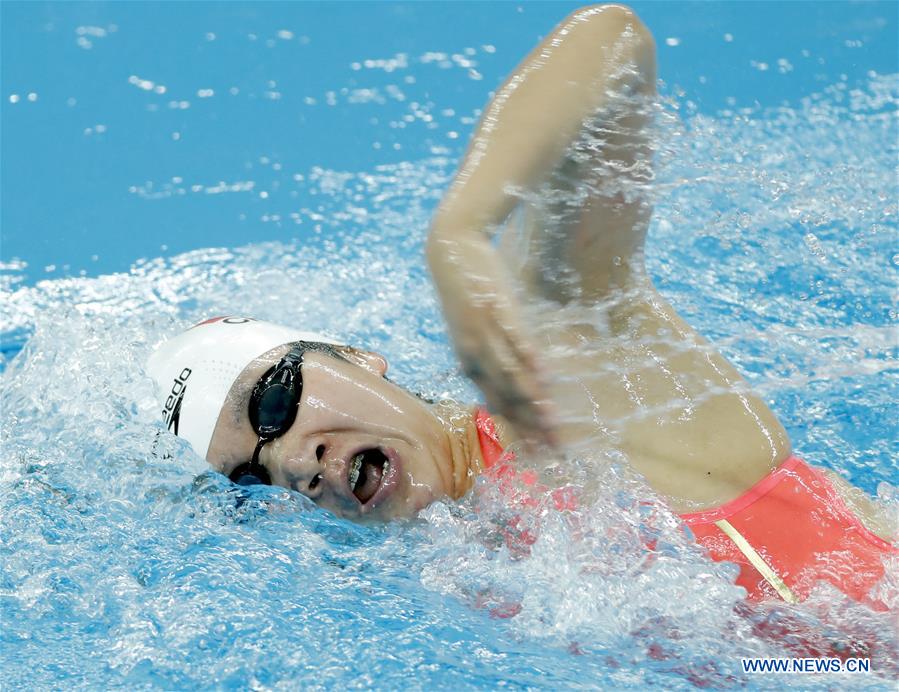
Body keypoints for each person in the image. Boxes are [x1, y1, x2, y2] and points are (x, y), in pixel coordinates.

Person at [148, 5, 896, 607]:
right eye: (254, 473)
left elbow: (612, 42)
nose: (289, 462)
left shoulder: (570, 390)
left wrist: (457, 234)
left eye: (274, 404)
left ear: (356, 356)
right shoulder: (469, 564)